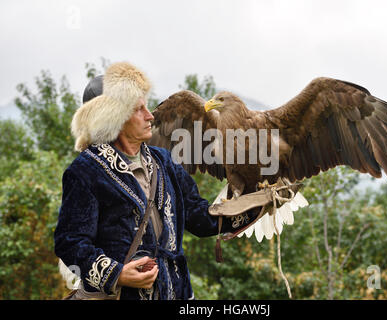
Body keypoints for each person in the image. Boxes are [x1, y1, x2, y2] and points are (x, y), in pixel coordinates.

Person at [54, 62, 257, 300]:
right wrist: (117, 274)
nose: (150, 116)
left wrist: (257, 204)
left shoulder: (163, 160)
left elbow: (199, 217)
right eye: (139, 109)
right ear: (113, 118)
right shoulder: (86, 171)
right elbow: (71, 242)